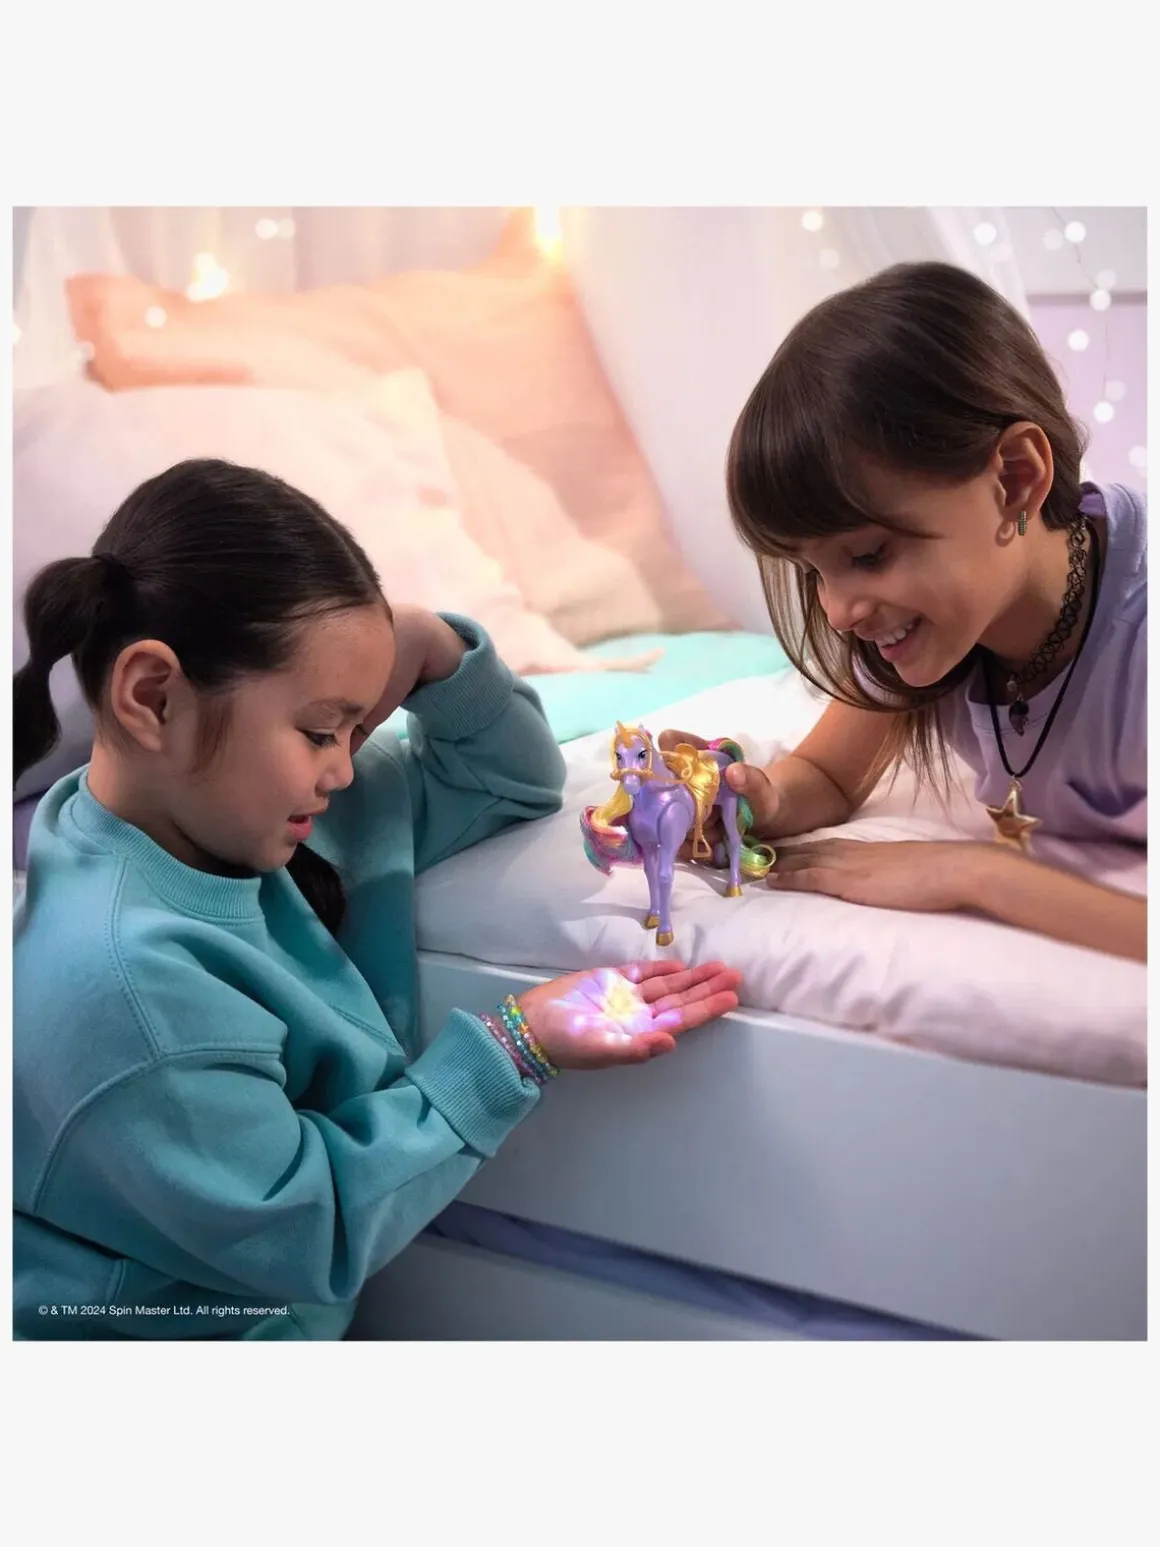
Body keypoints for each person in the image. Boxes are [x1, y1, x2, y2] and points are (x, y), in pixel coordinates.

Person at [13, 459, 742, 1340]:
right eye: (321, 730)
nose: (345, 768)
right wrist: (515, 1045)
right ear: (153, 697)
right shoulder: (123, 980)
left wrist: (435, 650)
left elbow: (511, 781)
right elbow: (305, 1227)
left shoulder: (248, 814)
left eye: (355, 730)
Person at [663, 261, 1145, 963]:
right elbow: (829, 775)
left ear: (1016, 478)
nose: (837, 613)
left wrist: (975, 874)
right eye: (813, 571)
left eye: (867, 555)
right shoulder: (937, 628)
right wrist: (754, 801)